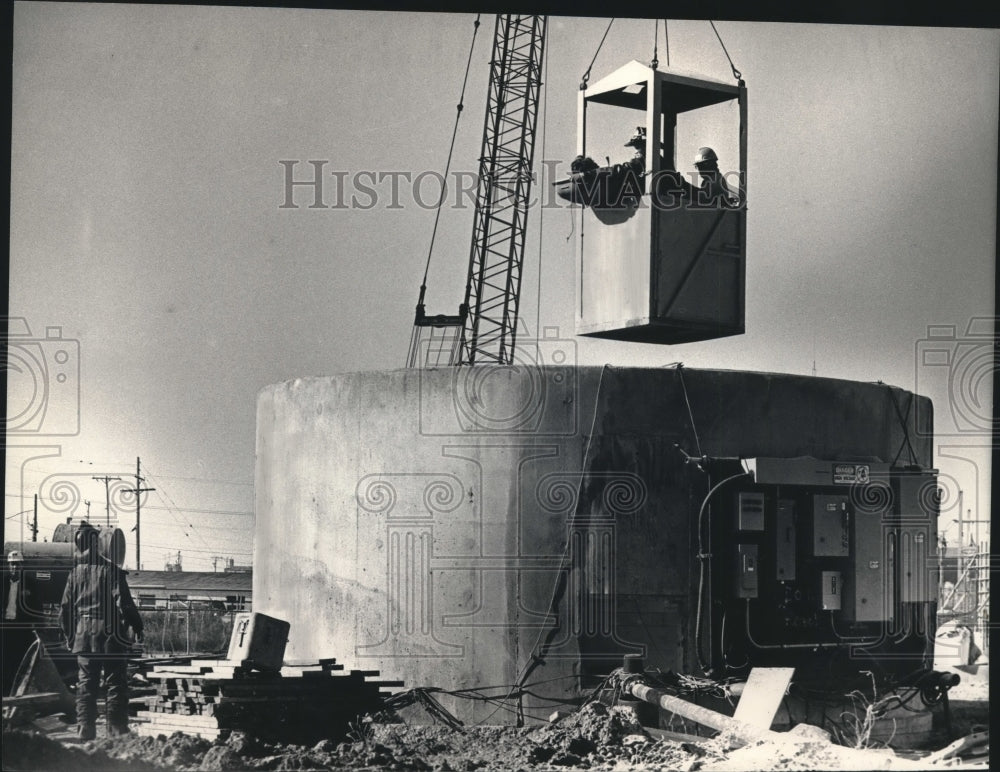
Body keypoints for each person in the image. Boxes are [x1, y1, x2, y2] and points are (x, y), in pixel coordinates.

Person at [59, 522, 143, 739]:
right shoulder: (112, 571)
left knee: (86, 686)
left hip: (83, 638)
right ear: (96, 543)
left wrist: (70, 638)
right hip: (110, 636)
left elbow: (65, 611)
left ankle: (85, 733)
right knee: (115, 684)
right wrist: (137, 625)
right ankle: (116, 735)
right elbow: (124, 604)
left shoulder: (74, 574)